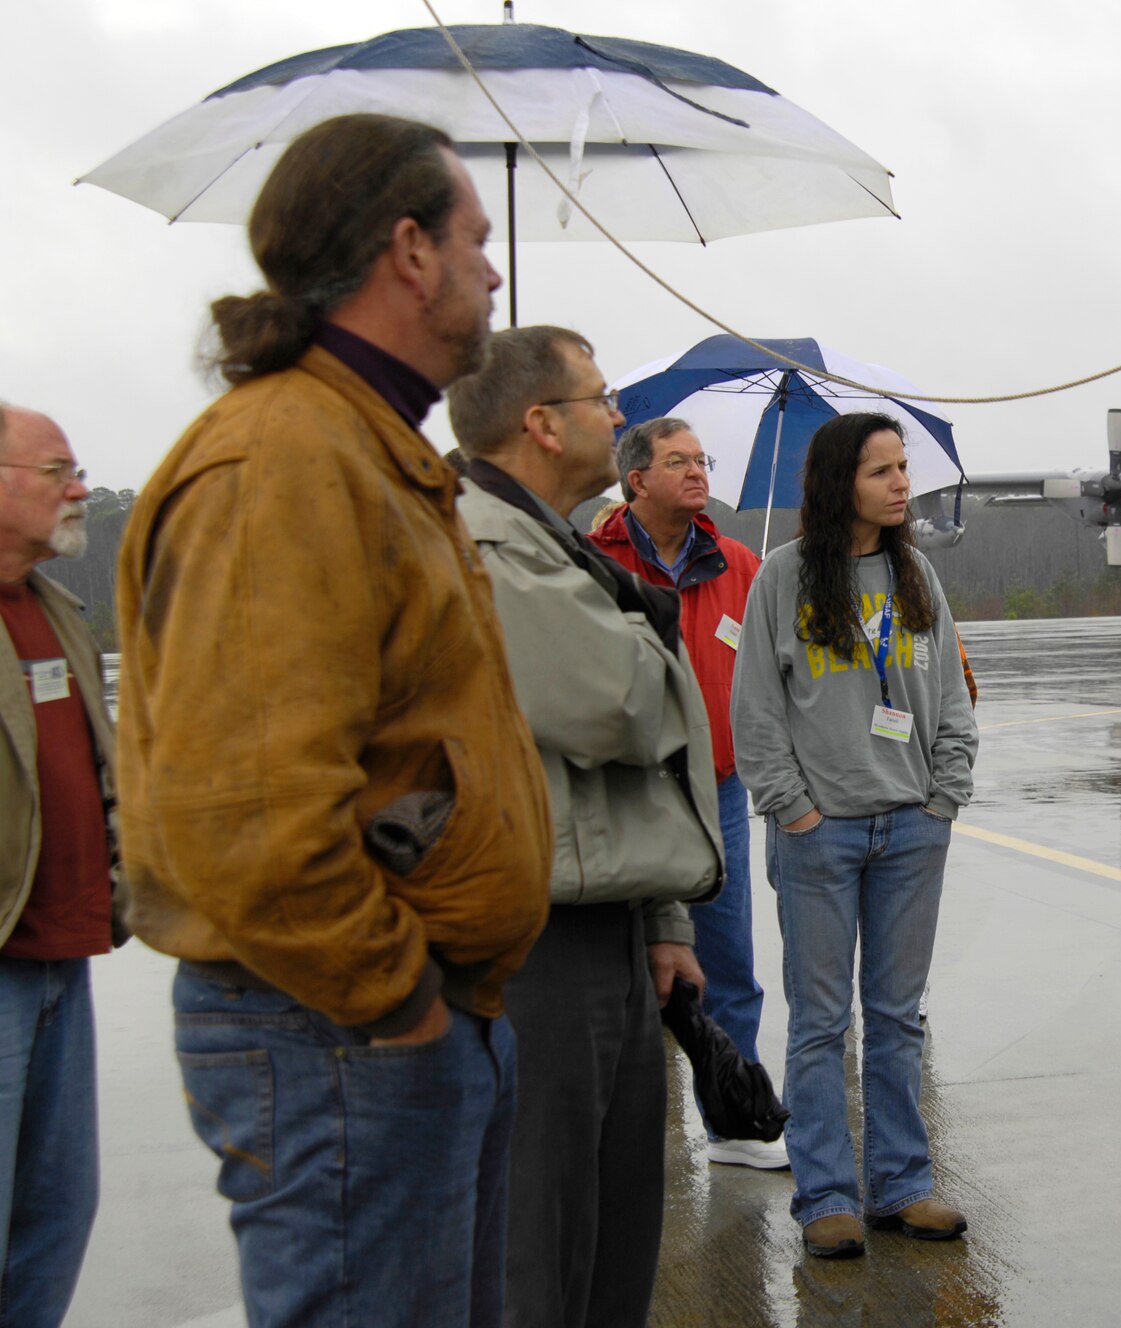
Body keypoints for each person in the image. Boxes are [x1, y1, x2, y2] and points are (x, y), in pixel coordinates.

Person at [115, 114, 553, 1328]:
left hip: (395, 1022)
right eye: (473, 237)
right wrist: (397, 1000)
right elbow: (246, 816)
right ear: (407, 251)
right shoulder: (283, 463)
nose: (492, 267)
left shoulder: (364, 444)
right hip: (335, 1029)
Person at [448, 327, 725, 1327]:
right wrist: (660, 654)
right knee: (543, 1230)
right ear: (539, 421)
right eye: (600, 397)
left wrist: (664, 923)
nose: (617, 416)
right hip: (537, 935)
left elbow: (628, 765)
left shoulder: (553, 539)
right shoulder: (482, 536)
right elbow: (618, 707)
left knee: (617, 1227)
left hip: (610, 918)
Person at [732, 411, 978, 1259]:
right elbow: (756, 712)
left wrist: (944, 798)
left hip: (912, 829)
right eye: (882, 471)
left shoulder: (917, 576)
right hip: (820, 836)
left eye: (904, 468)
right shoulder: (784, 576)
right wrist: (793, 808)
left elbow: (949, 697)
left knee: (898, 1016)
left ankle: (902, 1184)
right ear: (843, 484)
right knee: (819, 1022)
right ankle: (828, 1195)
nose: (902, 484)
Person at [589, 415, 785, 1170]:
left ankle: (733, 1124)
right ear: (636, 479)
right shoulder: (593, 558)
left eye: (703, 460)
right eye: (680, 462)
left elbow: (775, 671)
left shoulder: (739, 563)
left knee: (728, 960)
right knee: (625, 963)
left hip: (718, 796)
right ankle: (616, 1135)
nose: (700, 472)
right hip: (627, 793)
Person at [0, 404, 117, 1328]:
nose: (79, 487)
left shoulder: (56, 608)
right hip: (5, 957)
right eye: (58, 469)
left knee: (57, 1217)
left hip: (62, 959)